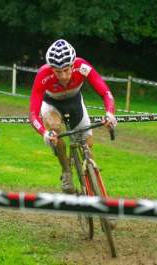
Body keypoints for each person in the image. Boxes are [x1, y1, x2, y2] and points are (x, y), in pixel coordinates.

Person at [29, 39, 117, 194]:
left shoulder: (82, 66)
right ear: (51, 68)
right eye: (58, 71)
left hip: (75, 102)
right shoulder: (43, 75)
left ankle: (90, 175)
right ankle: (66, 171)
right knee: (55, 129)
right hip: (52, 105)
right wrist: (45, 133)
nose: (63, 76)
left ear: (73, 64)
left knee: (87, 143)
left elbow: (105, 92)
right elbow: (33, 114)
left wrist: (109, 113)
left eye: (67, 70)